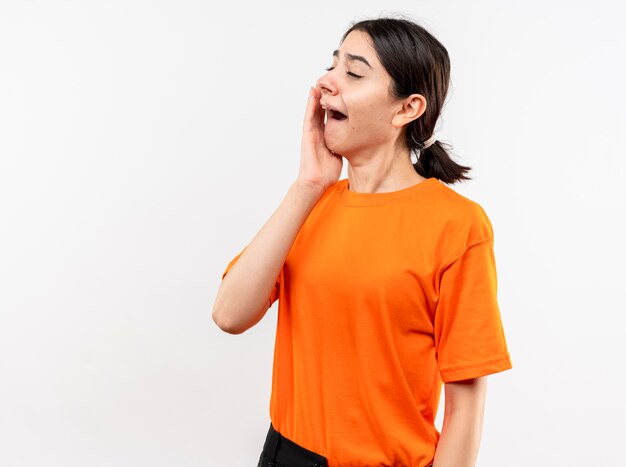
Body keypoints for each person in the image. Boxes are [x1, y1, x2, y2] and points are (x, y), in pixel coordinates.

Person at [212, 15, 513, 467]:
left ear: (406, 109)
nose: (326, 82)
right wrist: (307, 185)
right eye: (332, 66)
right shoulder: (311, 205)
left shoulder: (458, 226)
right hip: (284, 456)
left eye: (353, 72)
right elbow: (229, 314)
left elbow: (466, 406)